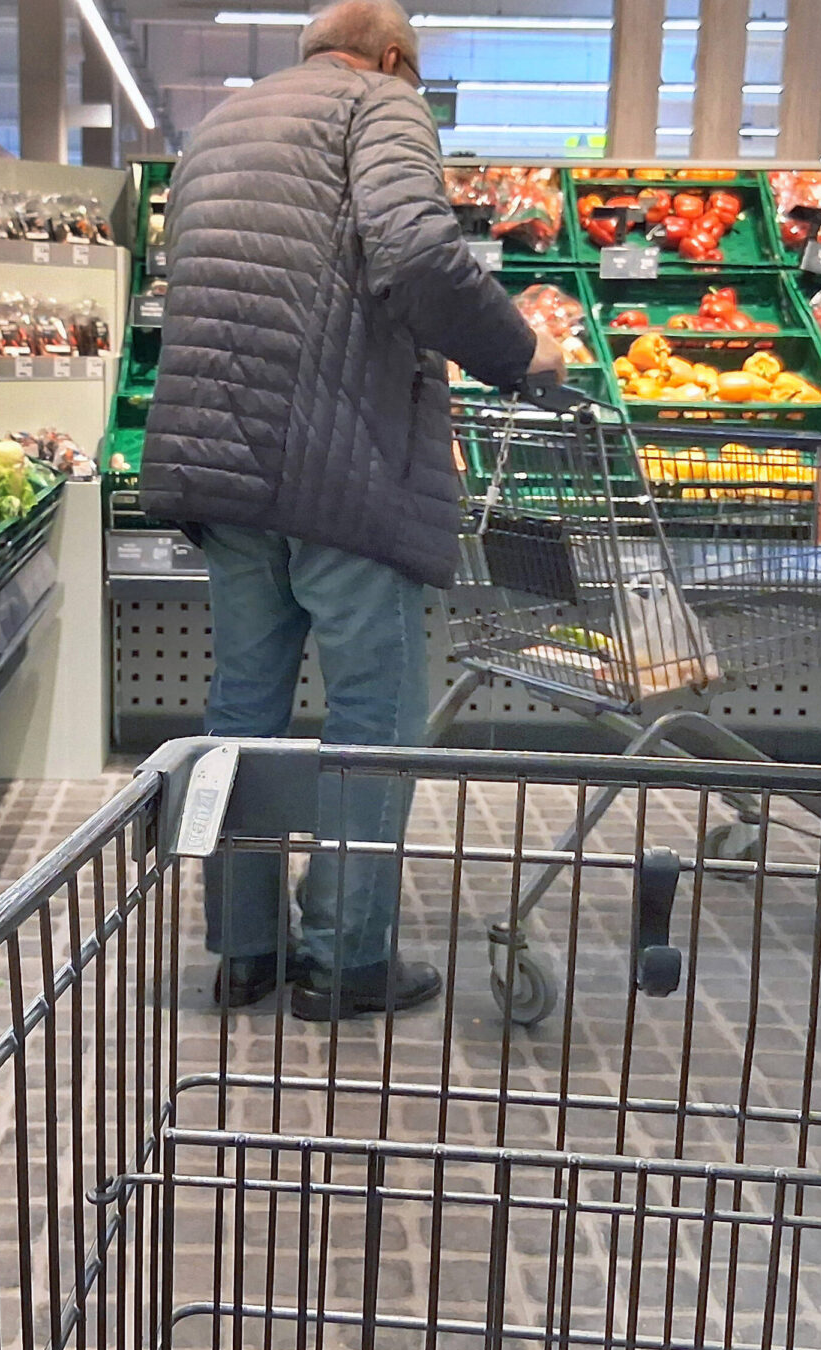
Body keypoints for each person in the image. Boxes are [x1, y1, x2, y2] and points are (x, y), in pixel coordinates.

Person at [141, 0, 564, 1021]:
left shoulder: (219, 126)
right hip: (342, 465)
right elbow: (415, 253)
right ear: (392, 57)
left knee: (245, 708)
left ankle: (246, 951)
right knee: (375, 714)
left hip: (219, 459)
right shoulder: (380, 103)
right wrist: (522, 354)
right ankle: (344, 960)